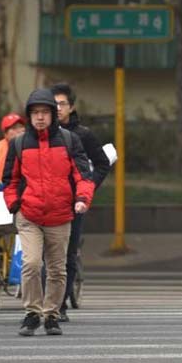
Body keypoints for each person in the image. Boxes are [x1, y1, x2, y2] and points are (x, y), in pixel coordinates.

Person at [3, 89, 95, 336]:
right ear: (29, 116)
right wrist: (14, 204)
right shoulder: (19, 143)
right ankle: (32, 313)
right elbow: (10, 180)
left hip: (60, 215)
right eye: (35, 113)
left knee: (57, 269)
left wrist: (82, 199)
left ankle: (52, 314)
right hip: (29, 215)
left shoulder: (69, 140)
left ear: (53, 115)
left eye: (45, 112)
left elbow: (83, 175)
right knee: (31, 263)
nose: (40, 117)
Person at [51, 82, 111, 322]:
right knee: (45, 255)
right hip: (46, 202)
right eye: (53, 104)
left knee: (67, 254)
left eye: (61, 104)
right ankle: (44, 302)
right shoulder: (39, 134)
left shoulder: (83, 135)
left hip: (74, 203)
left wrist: (87, 189)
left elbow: (102, 164)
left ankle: (60, 304)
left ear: (71, 107)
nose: (57, 108)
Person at [0, 113, 26, 184]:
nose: (20, 130)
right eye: (14, 128)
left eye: (21, 127)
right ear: (5, 133)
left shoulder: (30, 146)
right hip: (4, 187)